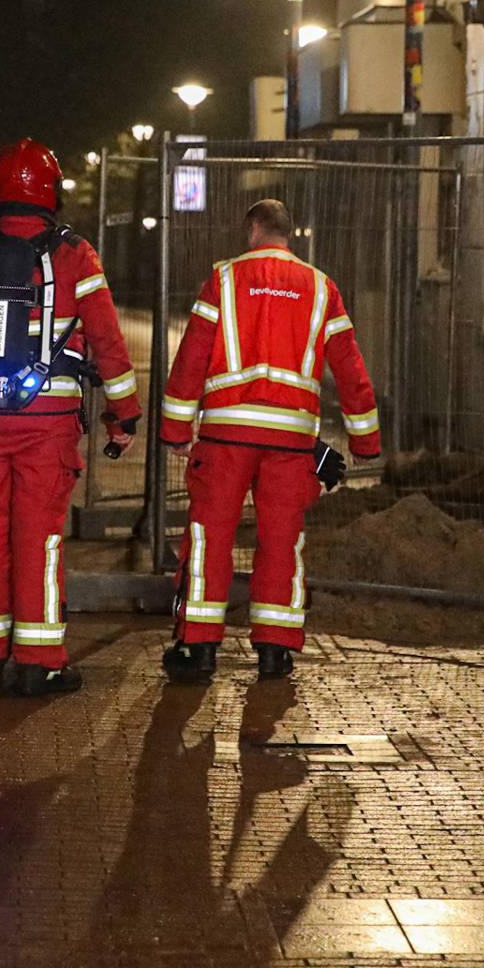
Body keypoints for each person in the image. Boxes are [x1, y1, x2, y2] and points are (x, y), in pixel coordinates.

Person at [0, 139, 141, 696]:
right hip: (48, 424)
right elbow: (108, 342)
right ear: (51, 194)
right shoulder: (75, 256)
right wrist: (123, 416)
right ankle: (39, 661)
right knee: (39, 538)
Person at [158, 198, 381, 682]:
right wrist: (365, 439)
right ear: (289, 233)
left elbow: (193, 354)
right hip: (291, 442)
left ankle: (199, 650)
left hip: (225, 437)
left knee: (209, 538)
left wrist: (176, 429)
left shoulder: (224, 278)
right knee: (281, 542)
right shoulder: (321, 287)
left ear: (254, 228)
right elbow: (349, 366)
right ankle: (276, 651)